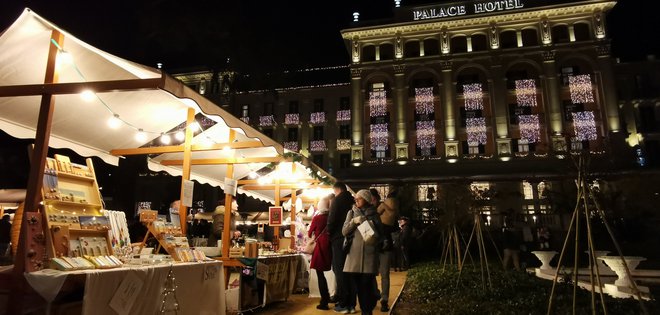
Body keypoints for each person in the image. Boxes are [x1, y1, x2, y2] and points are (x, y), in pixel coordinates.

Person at [342, 189, 383, 315]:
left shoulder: (374, 214)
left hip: (369, 256)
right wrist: (354, 222)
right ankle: (366, 308)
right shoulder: (351, 212)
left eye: (359, 198)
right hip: (354, 257)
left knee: (366, 285)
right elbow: (344, 231)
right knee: (359, 287)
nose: (356, 200)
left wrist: (365, 222)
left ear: (366, 199)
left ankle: (367, 310)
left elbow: (378, 235)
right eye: (356, 198)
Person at [327, 181, 356, 313]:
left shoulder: (337, 201)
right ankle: (351, 304)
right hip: (352, 239)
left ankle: (344, 303)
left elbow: (331, 221)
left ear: (336, 190)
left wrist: (330, 234)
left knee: (340, 270)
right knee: (349, 272)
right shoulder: (352, 200)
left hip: (339, 239)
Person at [371, 189, 399, 312]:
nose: (372, 201)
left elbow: (394, 225)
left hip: (385, 246)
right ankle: (375, 294)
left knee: (384, 274)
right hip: (373, 246)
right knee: (371, 274)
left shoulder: (385, 207)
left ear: (377, 198)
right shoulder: (370, 211)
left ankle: (384, 300)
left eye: (373, 198)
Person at [308, 195, 332, 310]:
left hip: (320, 247)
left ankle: (324, 300)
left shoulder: (317, 218)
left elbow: (309, 233)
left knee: (320, 274)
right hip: (329, 247)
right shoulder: (331, 216)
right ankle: (331, 297)